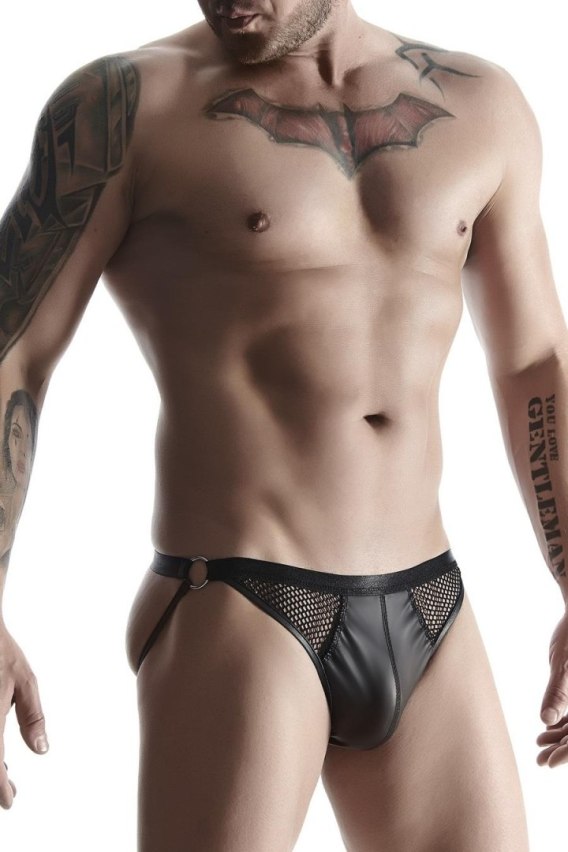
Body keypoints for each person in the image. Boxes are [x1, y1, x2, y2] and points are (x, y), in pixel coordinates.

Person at [1, 0, 567, 848]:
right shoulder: (129, 106)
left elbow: (534, 360)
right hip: (238, 598)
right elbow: (12, 354)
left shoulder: (482, 105)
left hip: (430, 601)